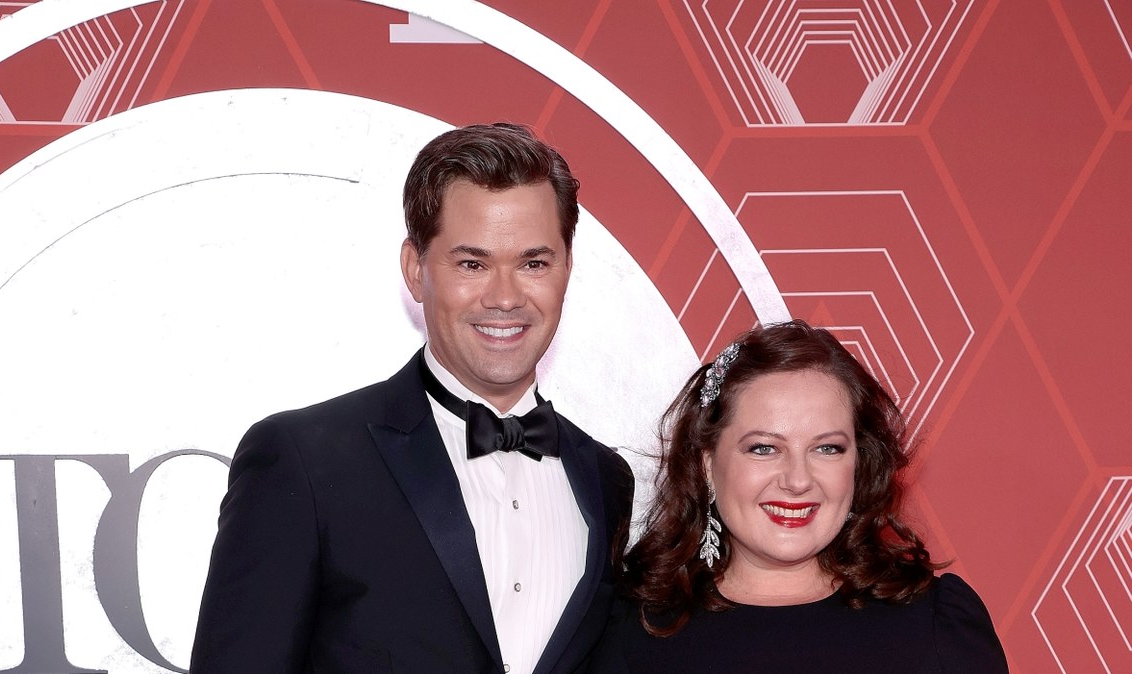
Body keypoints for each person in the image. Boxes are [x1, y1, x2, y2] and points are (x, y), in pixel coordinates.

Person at [190, 123, 634, 673]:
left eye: (533, 263)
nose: (504, 296)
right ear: (414, 266)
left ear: (567, 267)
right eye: (472, 264)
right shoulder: (304, 462)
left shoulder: (606, 479)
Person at [591, 320, 1008, 673]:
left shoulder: (935, 624)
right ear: (706, 466)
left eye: (827, 448)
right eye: (764, 448)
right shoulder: (630, 627)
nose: (797, 479)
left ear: (858, 466)